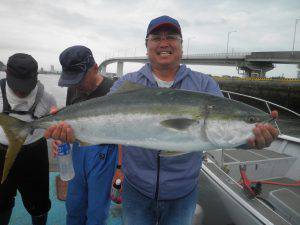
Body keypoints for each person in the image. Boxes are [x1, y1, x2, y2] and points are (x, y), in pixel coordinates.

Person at [45, 16, 279, 225]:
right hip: (135, 189)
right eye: (156, 37)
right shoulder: (126, 83)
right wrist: (69, 132)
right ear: (147, 45)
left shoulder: (204, 86)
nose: (164, 42)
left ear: (181, 45)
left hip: (183, 192)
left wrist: (251, 139)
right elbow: (107, 127)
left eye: (172, 37)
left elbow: (224, 135)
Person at [50, 45, 118, 225]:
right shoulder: (74, 88)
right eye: (71, 80)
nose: (75, 85)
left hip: (105, 155)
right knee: (74, 206)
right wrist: (60, 137)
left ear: (96, 68)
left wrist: (120, 169)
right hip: (77, 152)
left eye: (79, 79)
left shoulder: (114, 90)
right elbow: (67, 121)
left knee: (96, 211)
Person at [0, 53, 55, 225]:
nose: (21, 91)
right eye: (17, 85)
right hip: (0, 154)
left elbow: (54, 127)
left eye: (26, 86)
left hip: (34, 156)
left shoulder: (47, 98)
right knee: (1, 200)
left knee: (39, 203)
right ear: (6, 73)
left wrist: (58, 136)